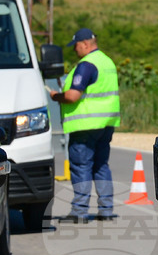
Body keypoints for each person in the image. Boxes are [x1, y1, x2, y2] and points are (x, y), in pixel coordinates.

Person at [49, 27, 121, 222]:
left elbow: (72, 96)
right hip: (106, 124)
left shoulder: (87, 64)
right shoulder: (107, 62)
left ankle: (80, 211)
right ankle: (106, 209)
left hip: (85, 125)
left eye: (76, 47)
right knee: (100, 165)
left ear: (85, 44)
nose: (75, 51)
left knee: (81, 166)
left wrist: (56, 96)